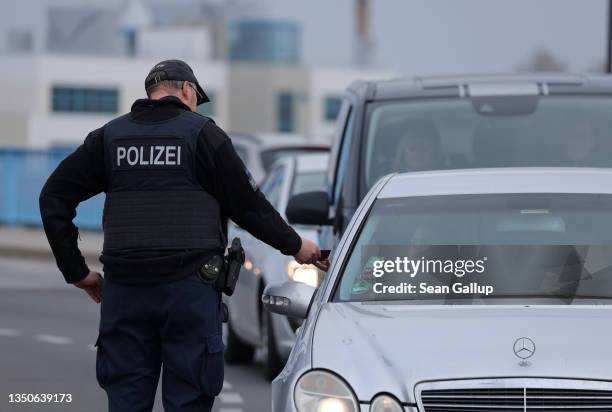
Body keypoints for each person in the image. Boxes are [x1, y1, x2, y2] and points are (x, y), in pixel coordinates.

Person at [39, 59, 327, 412]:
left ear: (152, 93)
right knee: (189, 400)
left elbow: (53, 196)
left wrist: (77, 273)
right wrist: (297, 246)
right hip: (188, 293)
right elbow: (250, 207)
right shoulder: (204, 135)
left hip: (125, 294)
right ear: (188, 91)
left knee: (126, 400)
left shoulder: (109, 138)